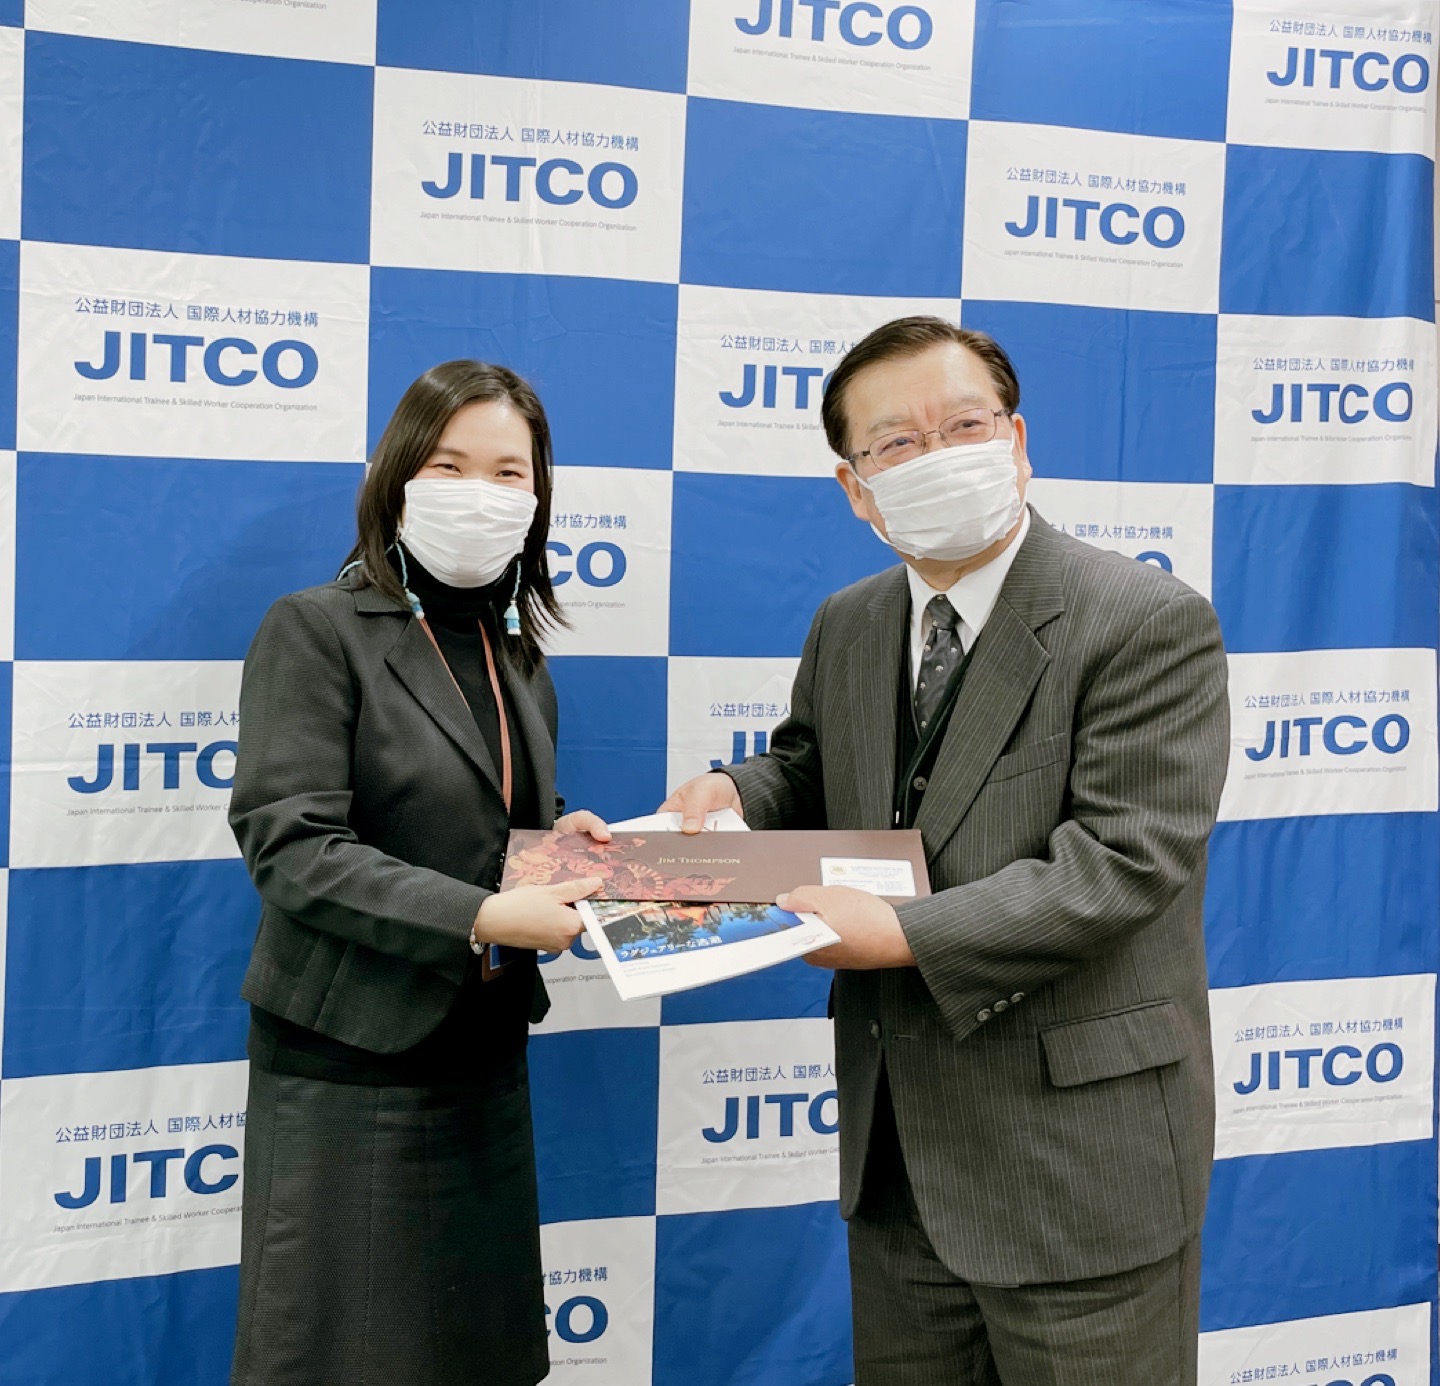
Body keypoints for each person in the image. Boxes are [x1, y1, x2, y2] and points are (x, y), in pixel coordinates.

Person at [663, 317, 1229, 1385]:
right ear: (856, 487)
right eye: (897, 444)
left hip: (1080, 1173)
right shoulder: (848, 622)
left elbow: (1123, 861)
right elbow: (812, 765)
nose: (938, 456)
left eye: (965, 426)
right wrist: (736, 795)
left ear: (1016, 439)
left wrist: (903, 934)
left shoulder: (1143, 620)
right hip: (900, 1164)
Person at [228, 360, 608, 1386]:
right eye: (450, 464)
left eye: (509, 472)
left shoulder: (517, 650)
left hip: (482, 1056)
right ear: (397, 476)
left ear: (537, 498)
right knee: (338, 1357)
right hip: (351, 1058)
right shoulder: (315, 628)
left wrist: (563, 841)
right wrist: (483, 912)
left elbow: (484, 815)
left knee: (477, 1356)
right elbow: (292, 845)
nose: (481, 492)